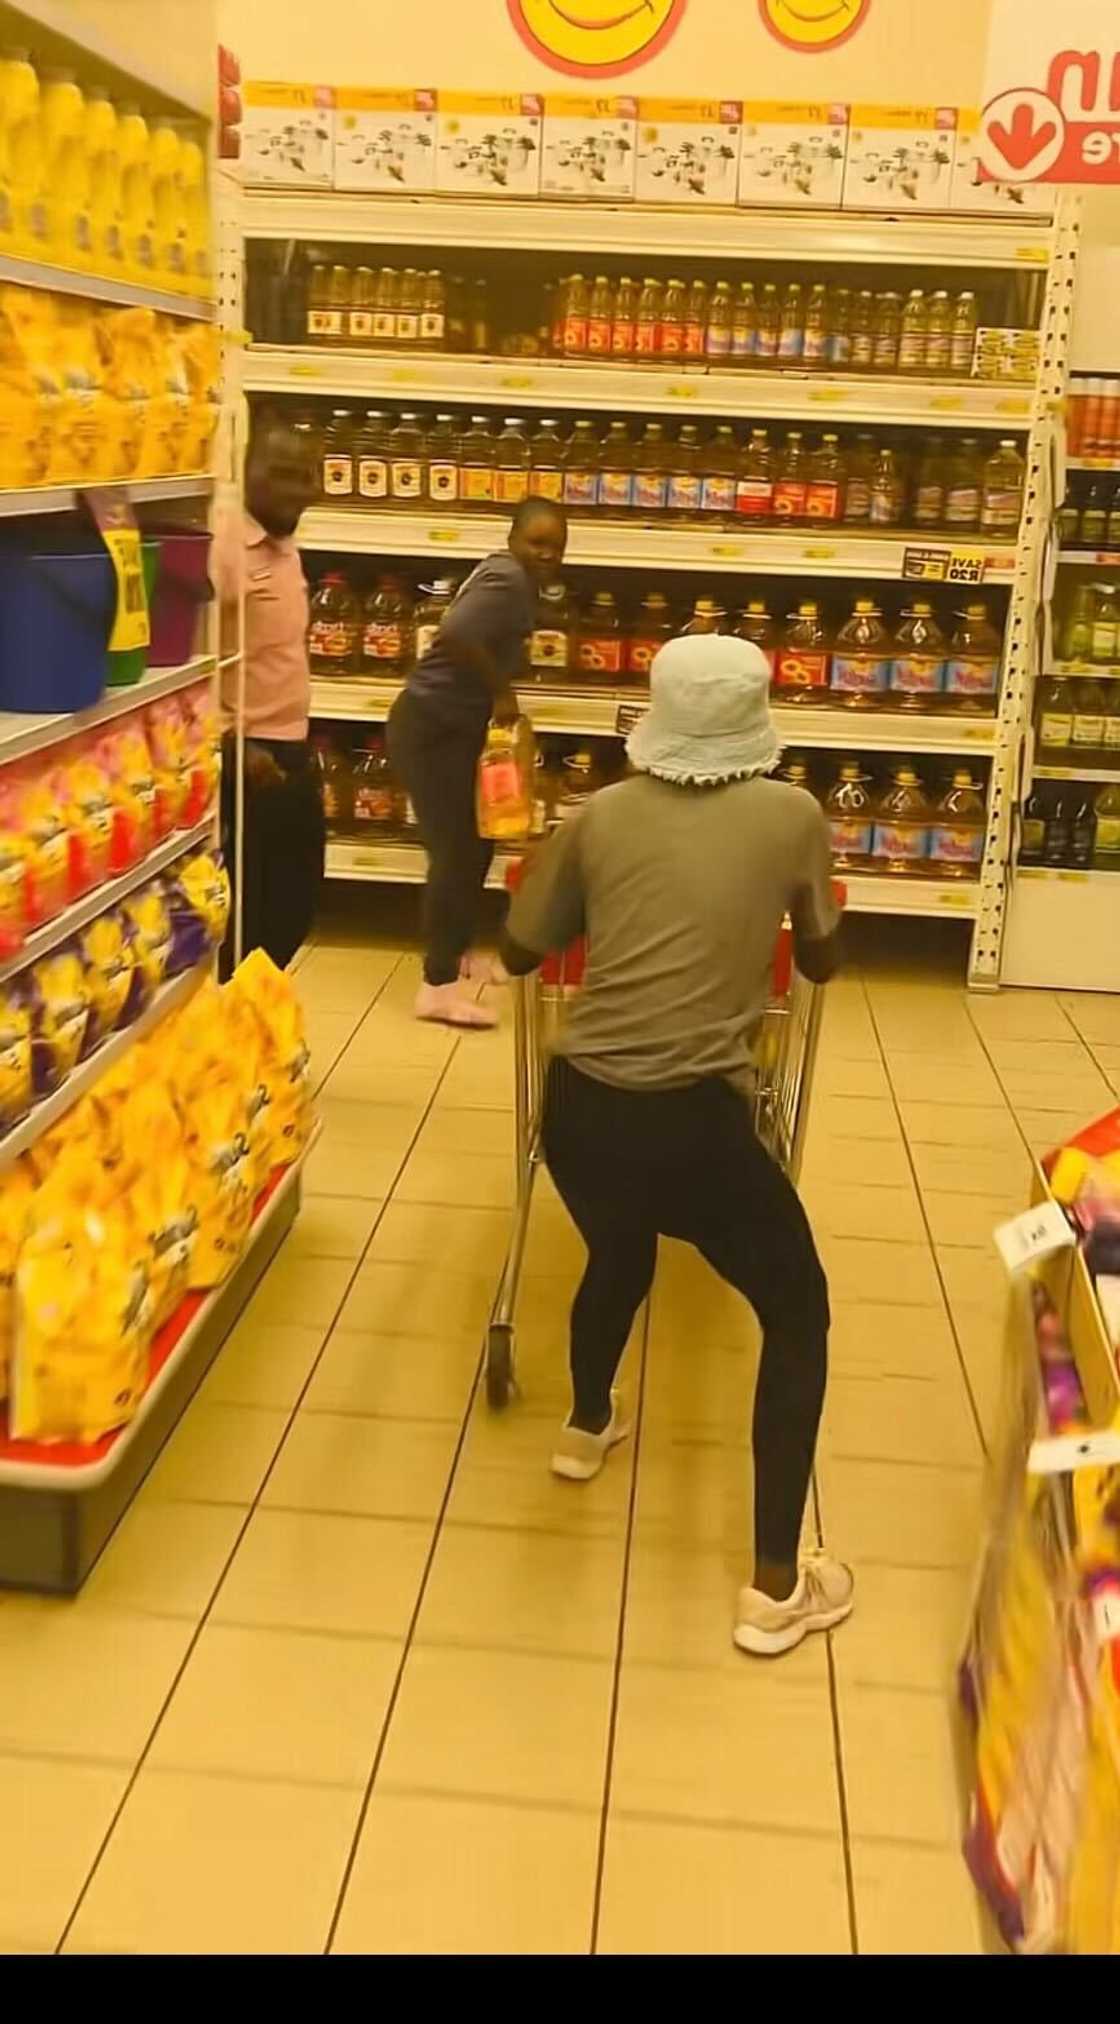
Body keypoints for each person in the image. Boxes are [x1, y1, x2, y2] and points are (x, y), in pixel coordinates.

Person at [500, 634, 852, 1659]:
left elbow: (524, 945)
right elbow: (820, 962)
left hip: (579, 1109)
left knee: (618, 1244)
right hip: (694, 1120)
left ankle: (584, 1424)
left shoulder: (600, 814)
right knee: (798, 1310)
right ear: (753, 722)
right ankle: (776, 1586)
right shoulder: (793, 816)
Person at [387, 497, 568, 1029]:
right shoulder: (508, 579)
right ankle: (436, 986)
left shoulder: (508, 575)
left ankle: (458, 956)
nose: (547, 554)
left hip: (452, 728)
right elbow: (458, 634)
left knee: (478, 843)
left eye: (556, 546)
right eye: (537, 542)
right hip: (432, 729)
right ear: (513, 539)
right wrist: (501, 691)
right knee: (455, 855)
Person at [213, 417, 322, 975]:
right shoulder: (227, 547)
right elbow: (189, 664)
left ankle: (250, 1018)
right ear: (245, 470)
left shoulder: (283, 543)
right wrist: (230, 744)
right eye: (280, 474)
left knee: (295, 907)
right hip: (248, 761)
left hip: (290, 750)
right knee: (249, 919)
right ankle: (228, 1027)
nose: (296, 489)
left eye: (306, 476)